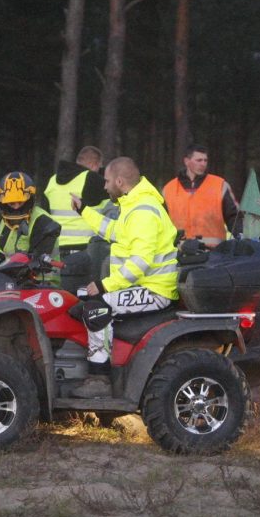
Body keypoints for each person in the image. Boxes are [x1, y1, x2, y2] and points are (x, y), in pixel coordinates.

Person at [70, 157, 179, 398]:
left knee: (95, 308)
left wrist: (104, 286)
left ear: (120, 181)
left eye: (107, 181)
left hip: (155, 290)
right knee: (80, 303)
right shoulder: (134, 205)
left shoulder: (143, 211)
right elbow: (113, 231)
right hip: (142, 285)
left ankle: (100, 379)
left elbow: (140, 262)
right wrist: (84, 211)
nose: (105, 186)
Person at [162, 144, 239, 248]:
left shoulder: (219, 185)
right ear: (186, 161)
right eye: (199, 160)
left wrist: (242, 237)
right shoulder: (169, 189)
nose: (203, 164)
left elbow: (235, 218)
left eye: (205, 160)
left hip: (214, 254)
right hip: (179, 252)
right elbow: (161, 223)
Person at [42, 145, 108, 254]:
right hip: (86, 248)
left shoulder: (52, 181)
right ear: (94, 164)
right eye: (99, 167)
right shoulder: (92, 178)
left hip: (57, 247)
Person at [0, 171, 61, 259]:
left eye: (20, 202)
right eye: (11, 203)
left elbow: (40, 258)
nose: (16, 207)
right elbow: (3, 253)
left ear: (30, 200)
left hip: (42, 272)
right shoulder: (5, 222)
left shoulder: (43, 221)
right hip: (10, 272)